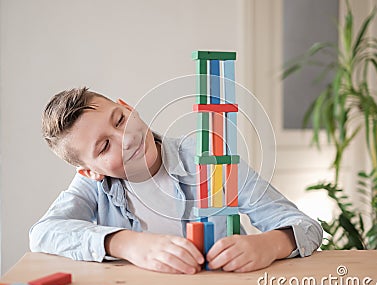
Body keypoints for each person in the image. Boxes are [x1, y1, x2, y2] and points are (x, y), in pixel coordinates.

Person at [30, 87, 322, 274]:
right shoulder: (93, 186)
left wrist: (270, 244)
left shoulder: (210, 161)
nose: (127, 138)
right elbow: (43, 233)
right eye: (105, 146)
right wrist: (126, 244)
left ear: (129, 107)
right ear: (91, 171)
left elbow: (306, 227)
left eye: (120, 120)